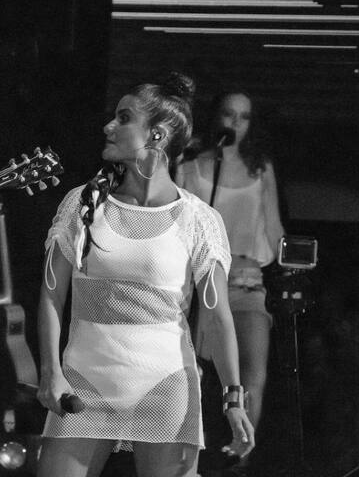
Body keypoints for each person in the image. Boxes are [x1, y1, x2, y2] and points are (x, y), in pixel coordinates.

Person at [36, 72, 254, 477]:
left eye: (123, 118)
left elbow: (217, 317)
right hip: (84, 385)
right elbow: (51, 295)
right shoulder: (82, 205)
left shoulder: (199, 219)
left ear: (157, 134)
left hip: (165, 389)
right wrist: (50, 373)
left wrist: (233, 399)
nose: (109, 126)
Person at [177, 86, 285, 475]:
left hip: (246, 285)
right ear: (216, 117)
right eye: (229, 114)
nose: (236, 123)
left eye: (244, 116)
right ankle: (188, 454)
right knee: (196, 374)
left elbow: (274, 231)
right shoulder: (191, 166)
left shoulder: (260, 169)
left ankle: (239, 456)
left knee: (253, 374)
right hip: (201, 287)